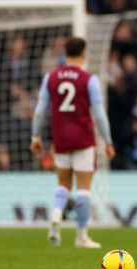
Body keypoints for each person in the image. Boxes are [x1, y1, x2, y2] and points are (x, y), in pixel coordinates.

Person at [30, 37, 115, 248]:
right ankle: (82, 236)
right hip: (83, 139)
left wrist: (36, 137)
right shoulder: (89, 79)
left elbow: (40, 111)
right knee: (83, 188)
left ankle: (56, 218)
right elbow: (99, 114)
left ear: (65, 53)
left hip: (60, 139)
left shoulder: (51, 77)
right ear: (84, 54)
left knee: (63, 185)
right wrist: (108, 141)